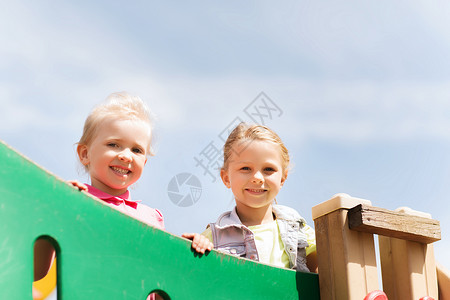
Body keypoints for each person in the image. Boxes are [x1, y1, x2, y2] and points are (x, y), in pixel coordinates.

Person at [33, 92, 212, 296]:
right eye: (113, 144)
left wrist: (192, 250)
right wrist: (54, 209)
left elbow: (165, 286)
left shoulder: (152, 218)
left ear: (144, 162)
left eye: (136, 150)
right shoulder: (75, 199)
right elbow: (37, 272)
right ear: (85, 154)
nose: (126, 156)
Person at [202, 122, 317, 272]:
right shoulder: (213, 238)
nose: (257, 178)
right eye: (245, 168)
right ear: (226, 178)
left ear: (282, 178)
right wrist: (194, 248)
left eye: (268, 169)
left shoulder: (300, 232)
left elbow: (331, 275)